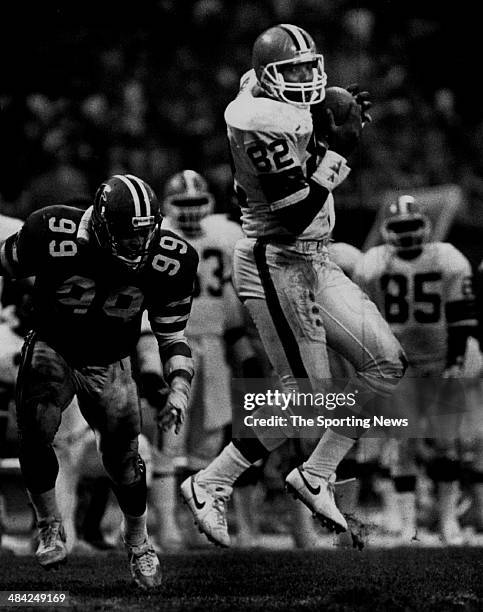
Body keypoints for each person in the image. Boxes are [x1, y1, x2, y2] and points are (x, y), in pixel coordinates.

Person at [180, 23, 406, 547]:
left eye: (310, 69)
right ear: (266, 78)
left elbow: (296, 107)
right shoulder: (255, 122)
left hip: (317, 259)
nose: (307, 81)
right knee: (308, 398)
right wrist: (335, 152)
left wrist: (324, 127)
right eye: (294, 71)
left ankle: (314, 474)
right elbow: (298, 214)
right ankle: (211, 483)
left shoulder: (261, 91)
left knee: (386, 365)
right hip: (276, 258)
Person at [0, 174, 198, 588]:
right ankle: (51, 524)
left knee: (125, 459)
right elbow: (3, 261)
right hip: (55, 343)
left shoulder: (172, 259)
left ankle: (138, 541)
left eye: (146, 235)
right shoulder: (51, 230)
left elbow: (171, 336)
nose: (138, 245)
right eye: (128, 237)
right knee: (36, 431)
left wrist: (178, 389)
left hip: (111, 358)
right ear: (104, 226)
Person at [138, 169, 258, 550]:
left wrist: (243, 348)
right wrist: (148, 363)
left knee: (208, 442)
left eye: (195, 203)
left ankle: (196, 523)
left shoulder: (227, 236)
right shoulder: (154, 240)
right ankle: (166, 527)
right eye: (182, 204)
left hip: (216, 345)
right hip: (171, 341)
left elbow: (234, 304)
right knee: (168, 441)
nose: (190, 211)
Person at [354, 194, 478, 544]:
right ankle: (408, 524)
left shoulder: (448, 259)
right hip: (399, 365)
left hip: (439, 361)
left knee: (445, 444)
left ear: (425, 227)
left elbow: (461, 316)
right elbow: (367, 321)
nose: (407, 234)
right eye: (400, 228)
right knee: (402, 443)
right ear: (387, 231)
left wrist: (455, 361)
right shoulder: (372, 264)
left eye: (412, 226)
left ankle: (447, 521)